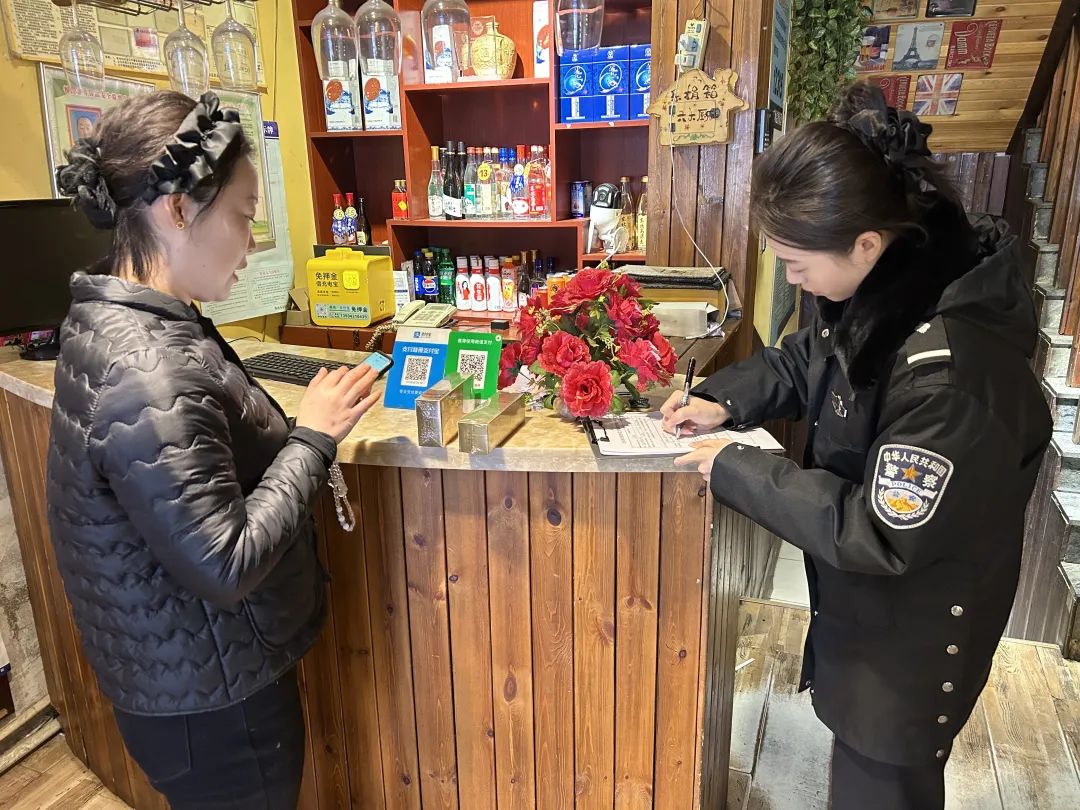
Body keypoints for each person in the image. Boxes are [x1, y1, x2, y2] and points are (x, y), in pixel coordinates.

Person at [665, 82, 1052, 808]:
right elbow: (807, 359)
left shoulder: (950, 377)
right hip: (868, 614)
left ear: (865, 244)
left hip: (915, 631)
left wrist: (737, 468)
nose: (790, 277)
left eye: (797, 263)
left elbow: (876, 528)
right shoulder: (885, 286)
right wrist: (724, 400)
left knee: (882, 778)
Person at [46, 91, 381, 809]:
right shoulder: (148, 368)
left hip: (183, 672)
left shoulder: (121, 316)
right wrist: (315, 435)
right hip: (212, 703)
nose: (251, 242)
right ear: (178, 210)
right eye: (243, 215)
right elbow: (224, 562)